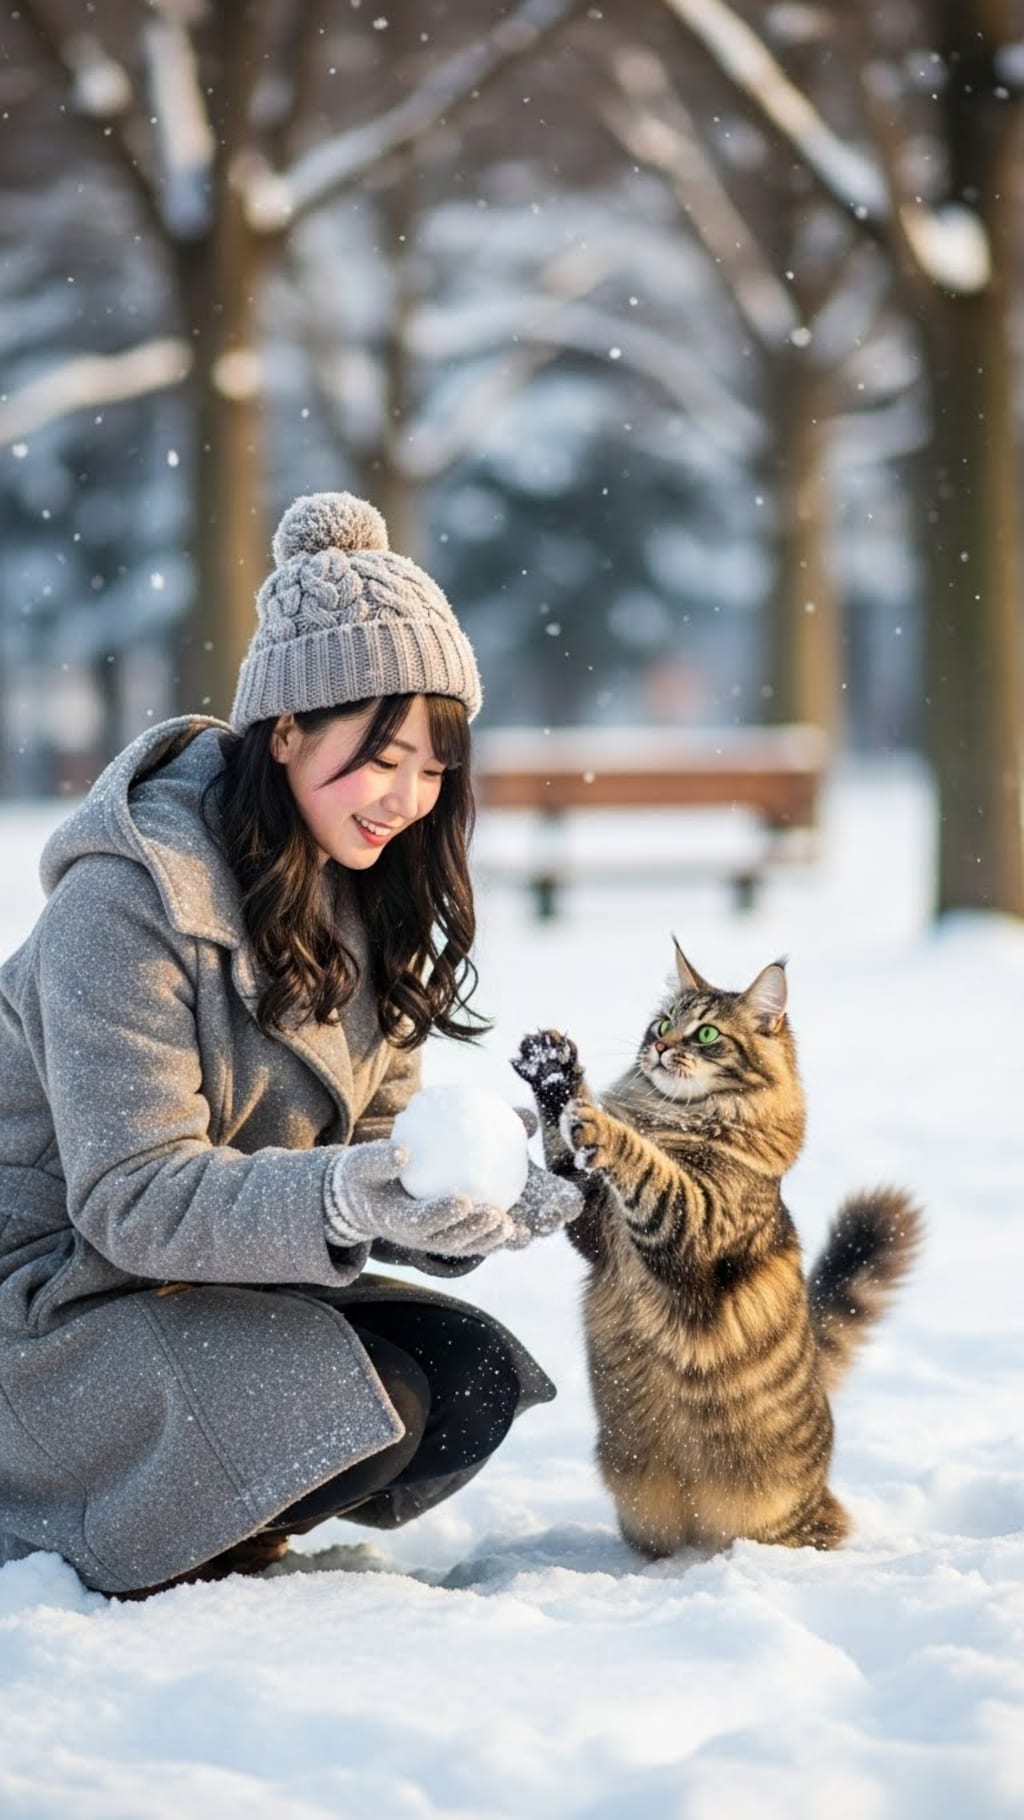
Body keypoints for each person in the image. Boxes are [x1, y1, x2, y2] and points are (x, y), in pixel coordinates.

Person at [0, 490, 581, 1598]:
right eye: (381, 758)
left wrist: (486, 1193)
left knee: (455, 1381)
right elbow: (130, 1195)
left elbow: (373, 1142)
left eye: (433, 766)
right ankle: (96, 1518)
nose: (408, 798)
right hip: (48, 1296)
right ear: (286, 730)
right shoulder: (123, 905)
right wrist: (357, 1192)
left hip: (187, 1283)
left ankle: (206, 1500)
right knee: (360, 1408)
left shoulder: (367, 896)